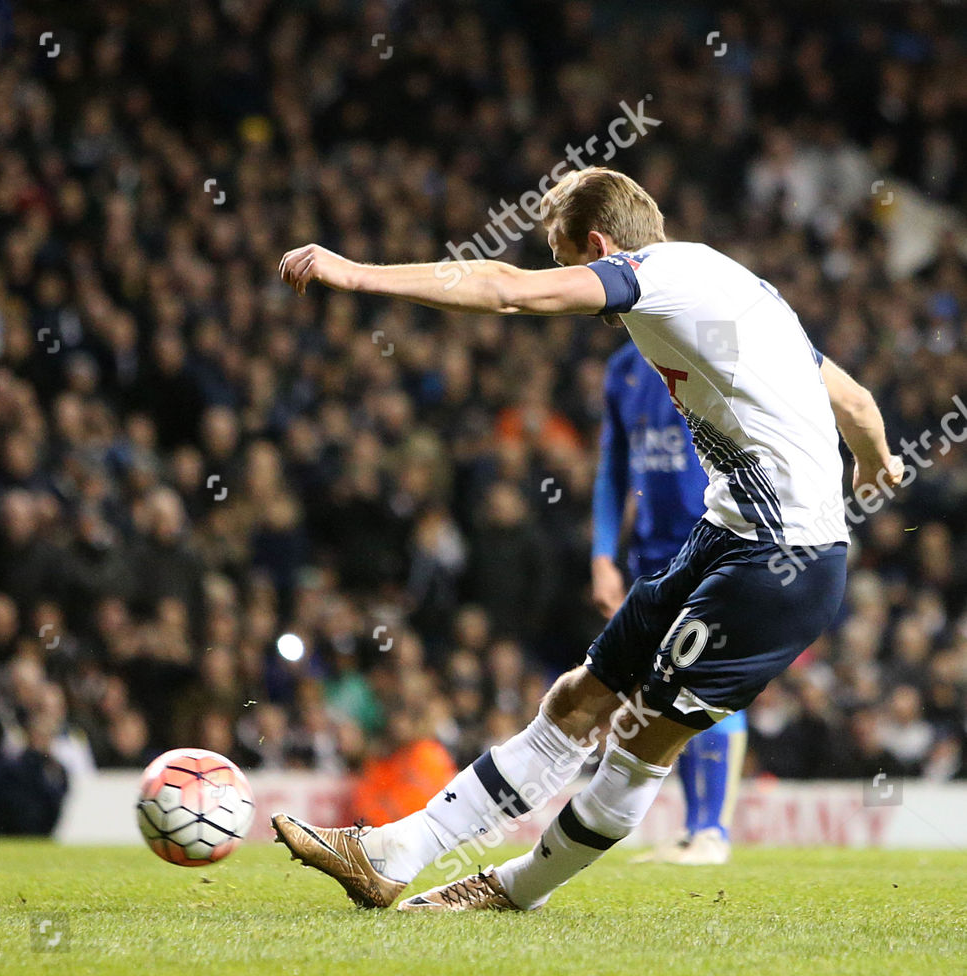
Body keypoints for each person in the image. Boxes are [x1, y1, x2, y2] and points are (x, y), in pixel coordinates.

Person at [269, 167, 904, 912]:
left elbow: (505, 289)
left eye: (566, 258)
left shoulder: (653, 278)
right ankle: (393, 853)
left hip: (780, 563)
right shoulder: (738, 286)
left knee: (638, 742)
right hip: (725, 536)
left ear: (600, 247)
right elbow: (856, 400)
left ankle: (513, 889)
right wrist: (876, 461)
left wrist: (356, 274)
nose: (568, 278)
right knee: (580, 697)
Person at [593, 340, 747, 865]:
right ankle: (693, 828)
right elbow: (613, 467)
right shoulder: (622, 368)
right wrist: (602, 555)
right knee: (664, 685)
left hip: (716, 543)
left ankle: (712, 832)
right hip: (651, 556)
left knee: (708, 678)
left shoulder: (707, 349)